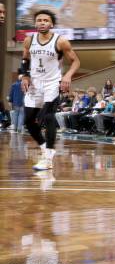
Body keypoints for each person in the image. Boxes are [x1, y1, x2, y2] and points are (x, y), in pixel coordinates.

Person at [19, 10, 80, 170]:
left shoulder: (61, 41)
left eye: (46, 20)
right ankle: (45, 147)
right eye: (39, 20)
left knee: (48, 116)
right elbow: (25, 58)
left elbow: (76, 61)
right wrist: (24, 75)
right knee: (28, 121)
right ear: (35, 24)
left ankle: (48, 157)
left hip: (52, 83)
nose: (42, 23)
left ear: (51, 24)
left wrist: (67, 76)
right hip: (35, 83)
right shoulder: (28, 40)